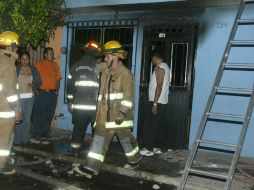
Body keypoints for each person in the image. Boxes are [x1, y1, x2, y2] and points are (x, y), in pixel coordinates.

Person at [74, 40, 141, 176]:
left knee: (126, 139)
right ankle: (91, 168)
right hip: (104, 115)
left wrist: (122, 113)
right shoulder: (105, 70)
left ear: (115, 57)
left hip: (119, 117)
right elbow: (93, 65)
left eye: (108, 56)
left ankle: (135, 159)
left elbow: (128, 97)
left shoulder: (125, 75)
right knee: (99, 141)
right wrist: (90, 53)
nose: (105, 59)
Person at [67, 41, 102, 155]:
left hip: (79, 107)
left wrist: (70, 101)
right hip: (94, 107)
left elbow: (70, 86)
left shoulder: (75, 66)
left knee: (78, 130)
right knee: (97, 131)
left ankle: (75, 150)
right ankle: (95, 152)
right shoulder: (98, 67)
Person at [0, 31, 22, 174]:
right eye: (16, 47)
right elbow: (9, 90)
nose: (17, 50)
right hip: (5, 108)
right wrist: (17, 109)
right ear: (10, 47)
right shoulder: (8, 64)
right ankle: (2, 164)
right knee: (5, 137)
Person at [140, 52, 170, 157]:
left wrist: (155, 103)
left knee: (152, 125)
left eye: (152, 59)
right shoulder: (165, 67)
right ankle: (158, 147)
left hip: (157, 102)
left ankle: (148, 148)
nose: (151, 61)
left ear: (155, 57)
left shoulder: (159, 68)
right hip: (163, 101)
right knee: (159, 125)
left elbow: (159, 86)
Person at [32, 47, 62, 143]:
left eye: (53, 54)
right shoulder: (38, 64)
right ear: (45, 54)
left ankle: (46, 132)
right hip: (41, 93)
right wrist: (35, 90)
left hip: (52, 94)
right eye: (50, 54)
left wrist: (57, 91)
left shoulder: (55, 65)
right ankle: (37, 134)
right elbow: (33, 78)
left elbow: (58, 79)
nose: (52, 55)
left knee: (49, 113)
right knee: (39, 114)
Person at [14, 51, 41, 145]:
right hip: (19, 98)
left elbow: (39, 81)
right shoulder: (16, 69)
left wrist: (34, 85)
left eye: (27, 59)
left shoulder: (33, 69)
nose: (25, 61)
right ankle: (17, 140)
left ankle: (25, 140)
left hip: (30, 98)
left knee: (27, 119)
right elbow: (11, 82)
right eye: (23, 59)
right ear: (20, 60)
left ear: (29, 59)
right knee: (18, 119)